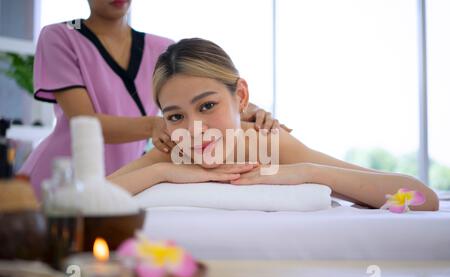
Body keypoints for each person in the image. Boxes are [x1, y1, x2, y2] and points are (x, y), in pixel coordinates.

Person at [107, 38, 439, 211]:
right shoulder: (171, 153)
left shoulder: (266, 143)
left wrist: (306, 171)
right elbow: (67, 204)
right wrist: (162, 172)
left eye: (208, 106)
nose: (193, 129)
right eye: (176, 116)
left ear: (240, 96)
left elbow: (422, 199)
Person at [20, 0, 282, 199]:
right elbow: (84, 124)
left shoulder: (161, 47)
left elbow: (202, 91)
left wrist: (248, 109)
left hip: (129, 177)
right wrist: (153, 126)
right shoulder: (61, 35)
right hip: (61, 175)